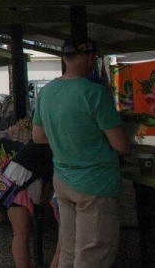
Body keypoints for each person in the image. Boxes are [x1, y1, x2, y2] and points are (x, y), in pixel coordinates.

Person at [33, 35, 128, 267]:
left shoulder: (46, 92)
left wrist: (67, 141)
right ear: (87, 58)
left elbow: (37, 136)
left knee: (68, 251)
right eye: (93, 58)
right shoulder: (95, 93)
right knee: (93, 253)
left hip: (63, 181)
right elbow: (121, 145)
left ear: (65, 58)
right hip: (95, 185)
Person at [0, 140, 60, 268]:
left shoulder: (42, 140)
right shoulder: (52, 145)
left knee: (21, 233)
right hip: (17, 185)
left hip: (15, 183)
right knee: (21, 233)